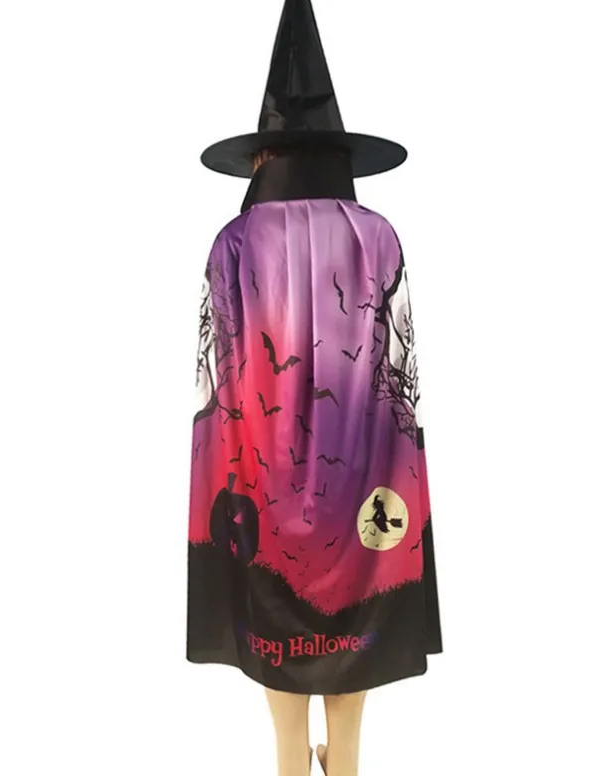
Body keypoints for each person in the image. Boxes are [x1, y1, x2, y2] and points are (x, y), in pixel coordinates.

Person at [186, 2, 443, 774]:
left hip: (257, 471)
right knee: (360, 582)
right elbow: (402, 371)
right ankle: (348, 756)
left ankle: (290, 755)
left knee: (273, 593)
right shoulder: (379, 235)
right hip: (363, 467)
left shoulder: (232, 242)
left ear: (262, 155)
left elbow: (215, 378)